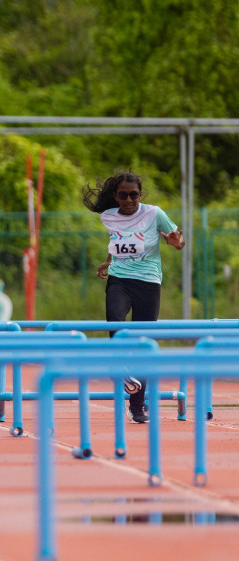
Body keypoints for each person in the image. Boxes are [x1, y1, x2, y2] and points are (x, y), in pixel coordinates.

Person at [86, 171, 184, 425]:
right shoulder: (108, 216)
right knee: (115, 319)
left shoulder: (154, 214)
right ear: (115, 196)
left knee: (143, 344)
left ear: (140, 195)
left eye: (134, 195)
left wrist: (175, 242)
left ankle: (137, 407)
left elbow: (178, 241)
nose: (129, 200)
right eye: (123, 195)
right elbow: (119, 241)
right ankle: (120, 367)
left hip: (149, 282)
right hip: (119, 279)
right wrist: (108, 261)